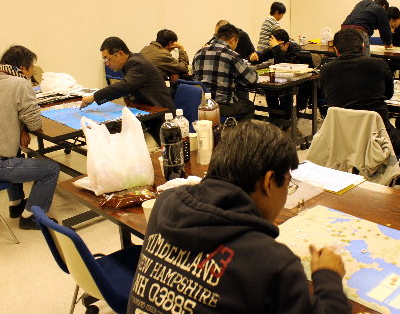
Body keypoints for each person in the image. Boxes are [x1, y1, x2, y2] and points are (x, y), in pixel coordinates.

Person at [126, 121, 350, 314]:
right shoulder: (272, 262)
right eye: (287, 184)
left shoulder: (165, 204)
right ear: (269, 181)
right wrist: (328, 276)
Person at [0, 45, 59, 230]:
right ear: (22, 68)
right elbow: (34, 123)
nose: (33, 71)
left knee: (14, 153)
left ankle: (16, 204)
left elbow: (8, 112)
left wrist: (21, 129)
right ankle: (31, 218)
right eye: (32, 67)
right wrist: (27, 126)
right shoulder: (21, 83)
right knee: (51, 169)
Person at [319, 29, 400, 155]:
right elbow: (389, 95)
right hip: (379, 139)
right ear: (363, 46)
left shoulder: (325, 70)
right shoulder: (379, 64)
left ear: (336, 50)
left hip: (342, 140)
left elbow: (326, 97)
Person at [80, 36, 176, 143]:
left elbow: (124, 86)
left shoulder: (137, 63)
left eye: (107, 59)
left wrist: (94, 97)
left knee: (116, 139)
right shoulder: (130, 63)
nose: (107, 64)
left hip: (162, 121)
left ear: (120, 53)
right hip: (148, 114)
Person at [193, 24, 258, 120]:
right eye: (237, 42)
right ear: (233, 40)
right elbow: (252, 79)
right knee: (249, 106)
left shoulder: (199, 52)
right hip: (223, 107)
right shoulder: (232, 55)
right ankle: (238, 129)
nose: (236, 46)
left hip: (201, 105)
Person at [250, 29, 310, 121]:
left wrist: (276, 48)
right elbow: (262, 56)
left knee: (286, 93)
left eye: (278, 45)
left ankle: (286, 120)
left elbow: (286, 67)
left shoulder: (296, 50)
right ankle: (275, 119)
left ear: (286, 44)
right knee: (269, 89)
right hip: (280, 81)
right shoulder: (275, 49)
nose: (275, 48)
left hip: (298, 83)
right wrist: (254, 58)